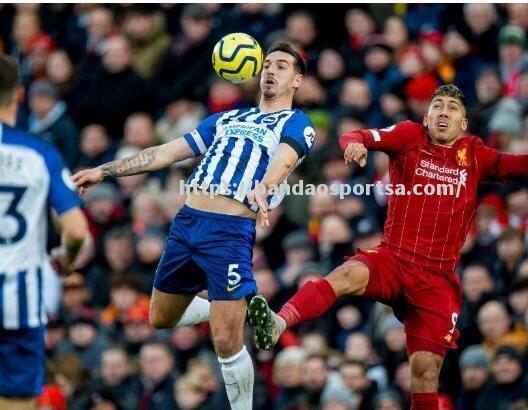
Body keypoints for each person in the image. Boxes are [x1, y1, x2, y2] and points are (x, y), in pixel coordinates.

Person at [249, 82, 528, 410]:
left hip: (435, 280)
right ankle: (279, 323)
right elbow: (356, 134)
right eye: (437, 106)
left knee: (425, 375)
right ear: (427, 118)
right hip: (393, 258)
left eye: (452, 108)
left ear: (463, 122)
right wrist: (354, 144)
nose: (444, 112)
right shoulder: (410, 135)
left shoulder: (475, 154)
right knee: (346, 274)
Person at [72, 42, 314, 410]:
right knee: (160, 318)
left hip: (229, 231)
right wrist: (104, 170)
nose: (270, 70)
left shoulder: (296, 123)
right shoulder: (225, 119)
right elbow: (166, 152)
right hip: (187, 223)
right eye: (267, 64)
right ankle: (239, 309)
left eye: (281, 66)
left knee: (226, 342)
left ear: (296, 80)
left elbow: (284, 159)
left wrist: (265, 186)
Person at [0, 54, 88, 409]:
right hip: (20, 303)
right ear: (20, 94)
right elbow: (77, 229)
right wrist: (66, 259)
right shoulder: (40, 154)